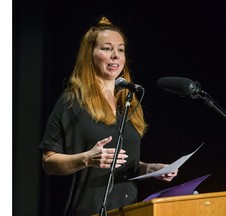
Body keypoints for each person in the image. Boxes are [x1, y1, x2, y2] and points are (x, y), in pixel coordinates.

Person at [39, 16, 178, 216]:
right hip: (87, 211)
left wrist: (150, 168)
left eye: (120, 49)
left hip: (128, 210)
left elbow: (121, 164)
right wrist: (86, 158)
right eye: (107, 48)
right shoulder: (72, 102)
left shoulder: (128, 103)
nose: (116, 55)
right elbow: (49, 163)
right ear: (90, 55)